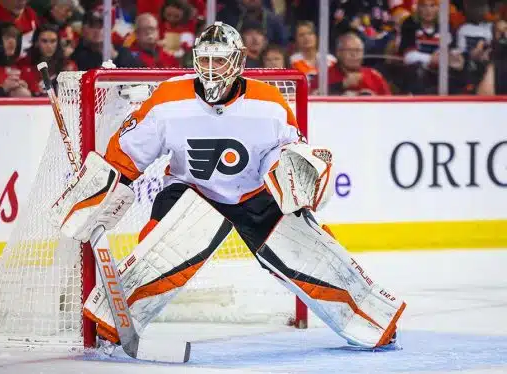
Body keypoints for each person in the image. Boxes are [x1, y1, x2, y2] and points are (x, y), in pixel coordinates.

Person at [51, 22, 405, 350]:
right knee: (161, 252)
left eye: (218, 60)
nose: (209, 68)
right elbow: (126, 153)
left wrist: (294, 173)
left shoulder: (268, 102)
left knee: (309, 253)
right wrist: (99, 192)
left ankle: (372, 321)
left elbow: (284, 153)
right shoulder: (167, 99)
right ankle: (111, 325)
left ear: (236, 62)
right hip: (190, 191)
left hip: (252, 194)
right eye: (203, 59)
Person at [18, 23, 76, 96]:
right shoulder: (23, 64)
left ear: (58, 43)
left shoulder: (68, 66)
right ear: (36, 42)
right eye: (44, 41)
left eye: (53, 41)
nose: (49, 46)